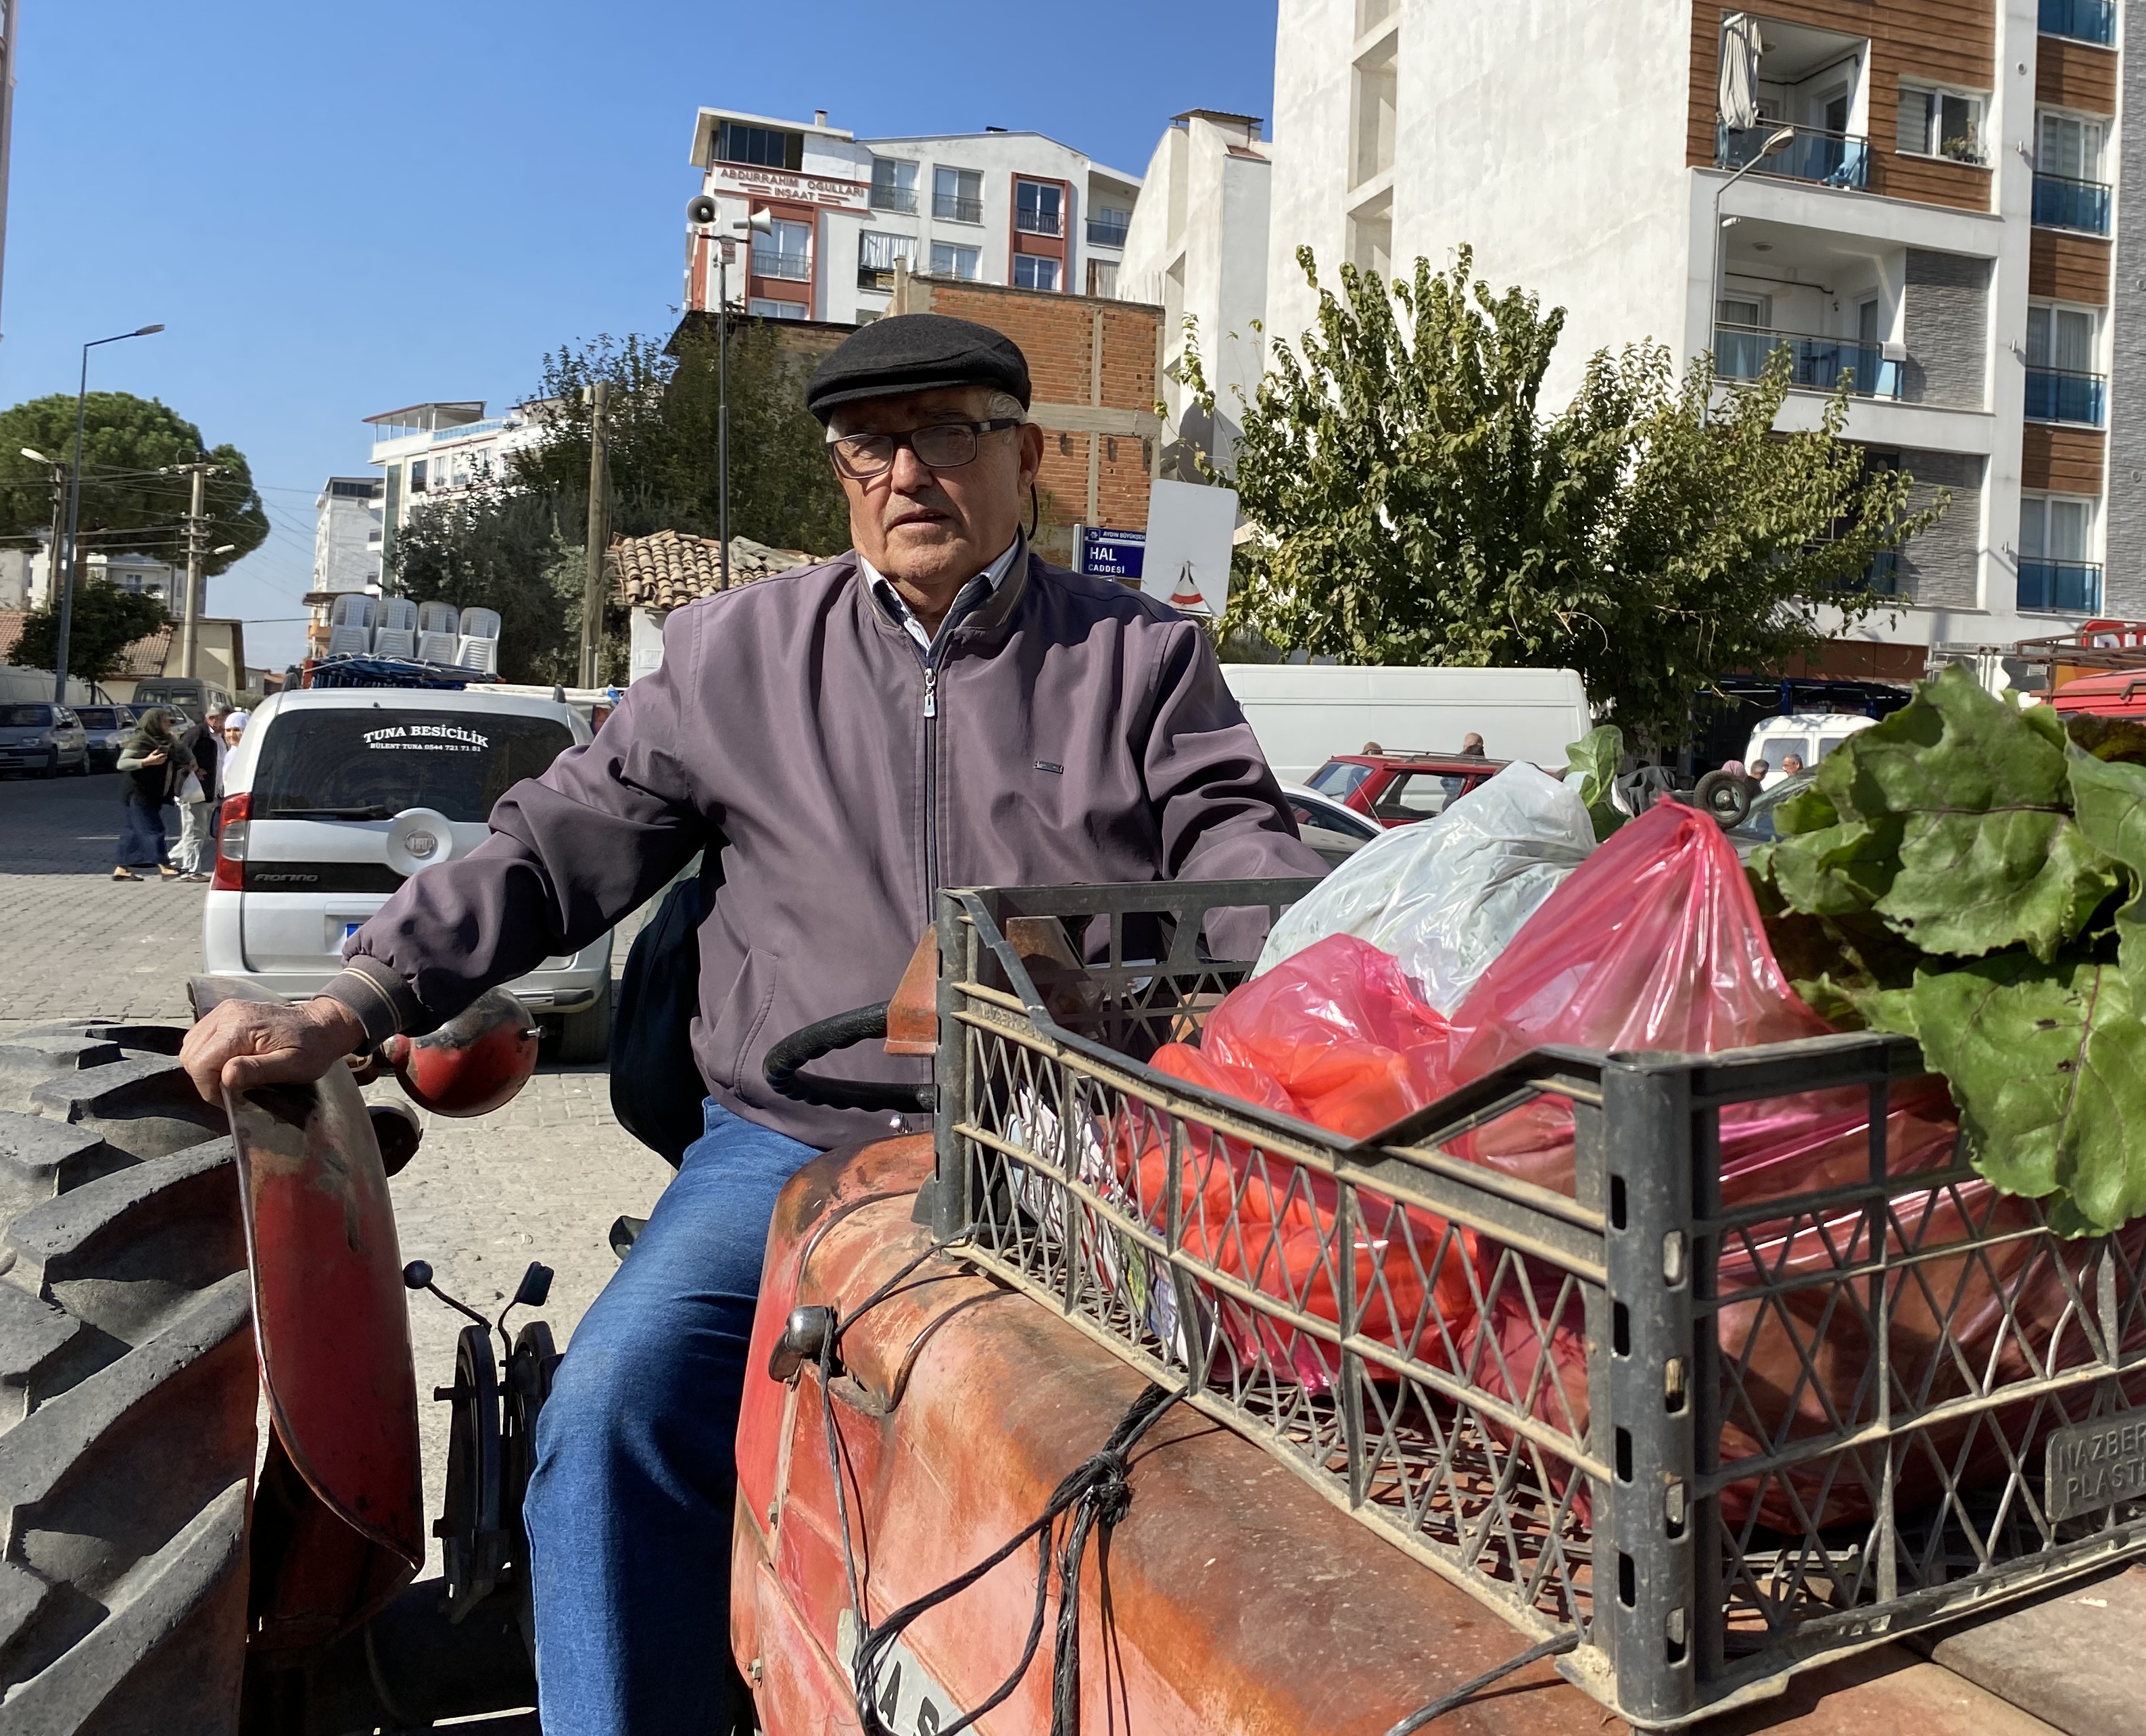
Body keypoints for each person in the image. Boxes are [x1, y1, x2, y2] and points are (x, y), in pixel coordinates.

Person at [176, 312, 1323, 1735]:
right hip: (794, 1148)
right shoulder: (734, 655)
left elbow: (1249, 883)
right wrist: (356, 998)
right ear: (840, 475)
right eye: (869, 444)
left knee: (1233, 1466)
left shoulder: (1142, 660)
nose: (908, 471)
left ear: (1025, 457)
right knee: (611, 1423)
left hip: (1075, 1146)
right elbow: (553, 849)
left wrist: (1333, 1027)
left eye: (950, 432)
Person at [113, 707, 186, 880]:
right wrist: (146, 762)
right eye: (166, 720)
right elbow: (122, 764)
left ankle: (122, 869)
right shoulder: (141, 740)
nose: (170, 723)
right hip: (138, 792)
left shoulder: (167, 740)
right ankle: (164, 865)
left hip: (153, 791)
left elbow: (182, 752)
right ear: (155, 723)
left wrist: (192, 763)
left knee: (133, 831)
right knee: (153, 828)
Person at [171, 710, 224, 878]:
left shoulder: (219, 737)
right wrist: (193, 769)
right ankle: (191, 870)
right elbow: (178, 754)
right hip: (194, 791)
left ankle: (170, 860)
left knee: (202, 833)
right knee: (193, 832)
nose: (226, 725)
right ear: (212, 719)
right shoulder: (197, 734)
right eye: (223, 720)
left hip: (211, 792)